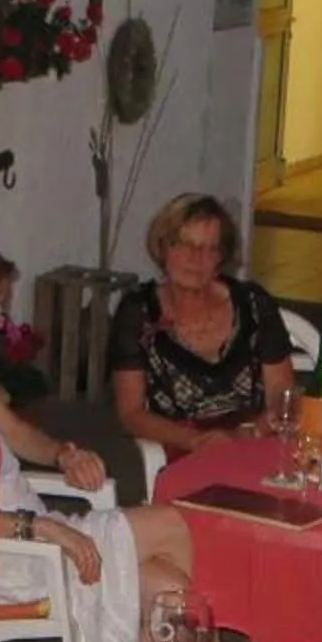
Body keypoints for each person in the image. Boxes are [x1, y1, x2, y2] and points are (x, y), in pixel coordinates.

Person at [0, 230, 221, 642]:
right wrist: (44, 529)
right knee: (177, 524)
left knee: (169, 590)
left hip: (33, 530)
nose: (0, 322)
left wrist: (62, 453)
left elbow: (16, 434)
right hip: (2, 558)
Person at [109, 193, 297, 460]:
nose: (195, 259)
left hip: (252, 443)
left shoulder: (254, 304)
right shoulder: (138, 312)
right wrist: (197, 441)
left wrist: (249, 433)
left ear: (221, 259)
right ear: (162, 248)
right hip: (182, 448)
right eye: (184, 245)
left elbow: (283, 396)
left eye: (210, 248)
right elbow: (131, 414)